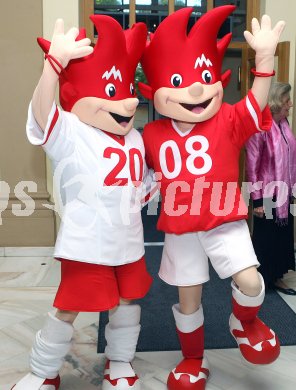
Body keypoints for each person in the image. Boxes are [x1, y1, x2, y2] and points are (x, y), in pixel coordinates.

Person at [139, 6, 284, 390]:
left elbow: (256, 99)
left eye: (205, 76)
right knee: (188, 301)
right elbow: (142, 173)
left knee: (250, 282)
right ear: (153, 92)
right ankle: (192, 359)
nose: (197, 88)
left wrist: (266, 59)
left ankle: (244, 321)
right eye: (179, 80)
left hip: (224, 220)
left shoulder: (229, 120)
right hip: (181, 228)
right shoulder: (150, 134)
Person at [13, 15, 156, 390]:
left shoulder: (136, 140)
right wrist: (53, 68)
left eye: (126, 88)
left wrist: (154, 184)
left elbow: (140, 185)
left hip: (128, 242)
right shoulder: (73, 132)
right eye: (112, 90)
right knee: (68, 306)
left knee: (127, 302)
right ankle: (44, 370)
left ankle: (120, 364)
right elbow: (44, 116)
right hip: (87, 244)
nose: (126, 100)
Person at [245, 82, 296, 295]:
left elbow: (291, 160)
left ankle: (276, 277)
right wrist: (256, 200)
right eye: (287, 101)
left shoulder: (284, 125)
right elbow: (252, 164)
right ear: (276, 102)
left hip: (284, 193)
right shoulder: (260, 127)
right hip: (266, 194)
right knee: (266, 239)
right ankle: (261, 280)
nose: (290, 105)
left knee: (281, 237)